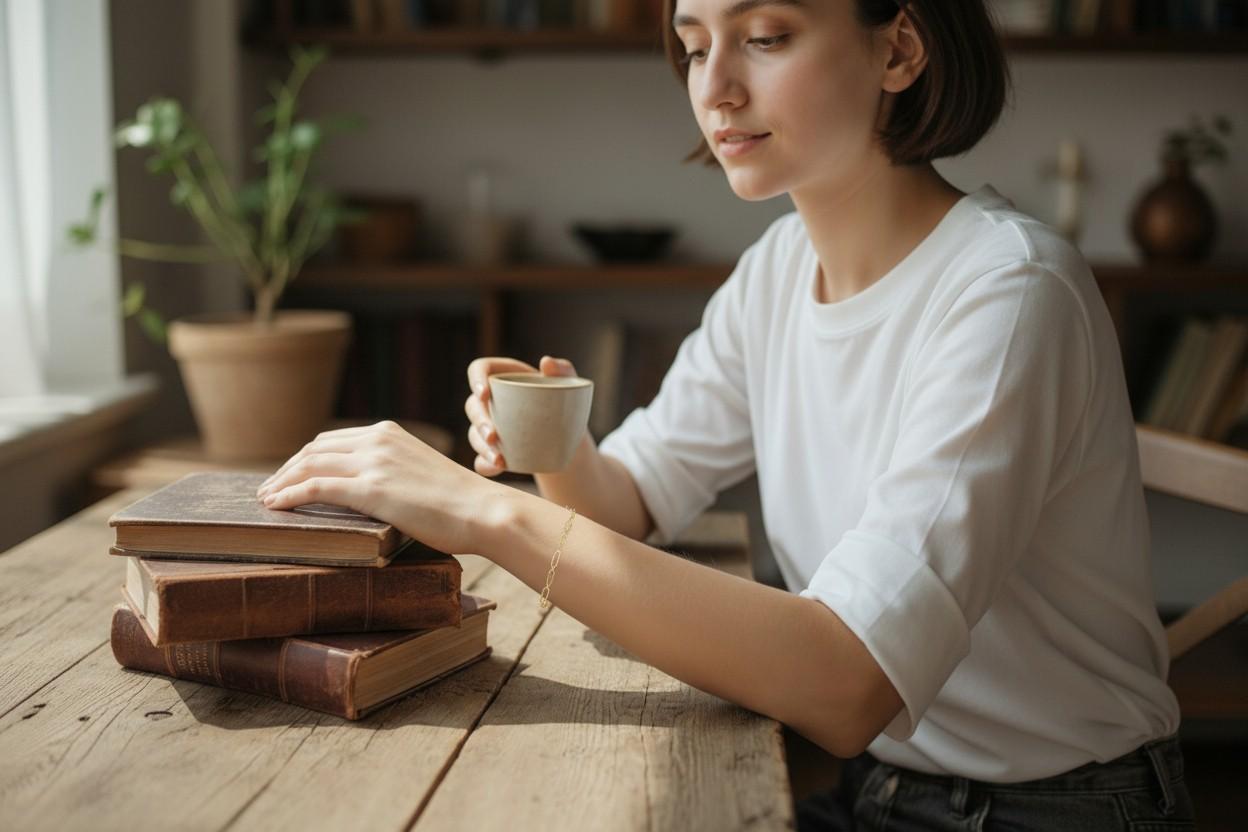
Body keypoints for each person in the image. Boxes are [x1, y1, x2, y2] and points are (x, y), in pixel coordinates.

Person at [255, 0, 1193, 828]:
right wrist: (556, 440)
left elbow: (845, 680)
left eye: (767, 37)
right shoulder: (779, 271)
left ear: (900, 49)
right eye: (696, 46)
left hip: (1058, 807)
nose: (718, 88)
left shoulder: (1007, 293)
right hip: (878, 788)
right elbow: (624, 499)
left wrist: (485, 511)